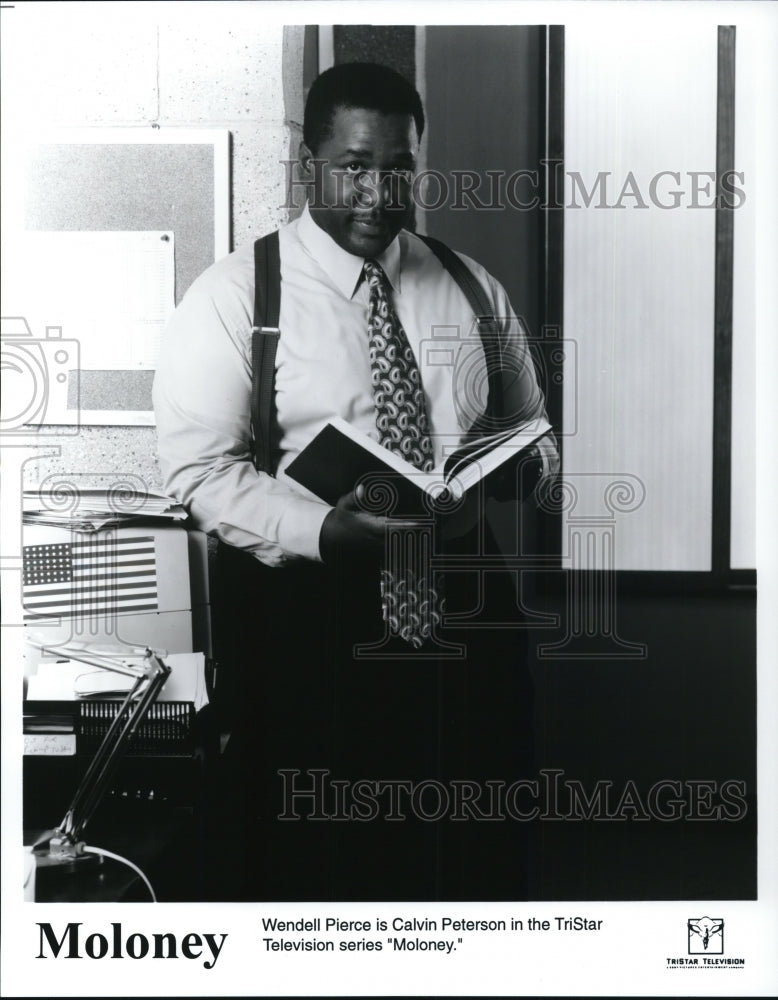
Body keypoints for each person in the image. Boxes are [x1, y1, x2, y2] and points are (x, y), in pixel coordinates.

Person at [153, 61, 558, 902]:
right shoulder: (236, 296)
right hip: (309, 611)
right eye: (355, 166)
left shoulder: (470, 286)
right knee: (315, 852)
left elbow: (531, 433)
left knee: (472, 842)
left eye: (399, 168)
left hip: (463, 603)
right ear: (312, 163)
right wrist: (322, 534)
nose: (378, 192)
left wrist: (529, 472)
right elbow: (199, 471)